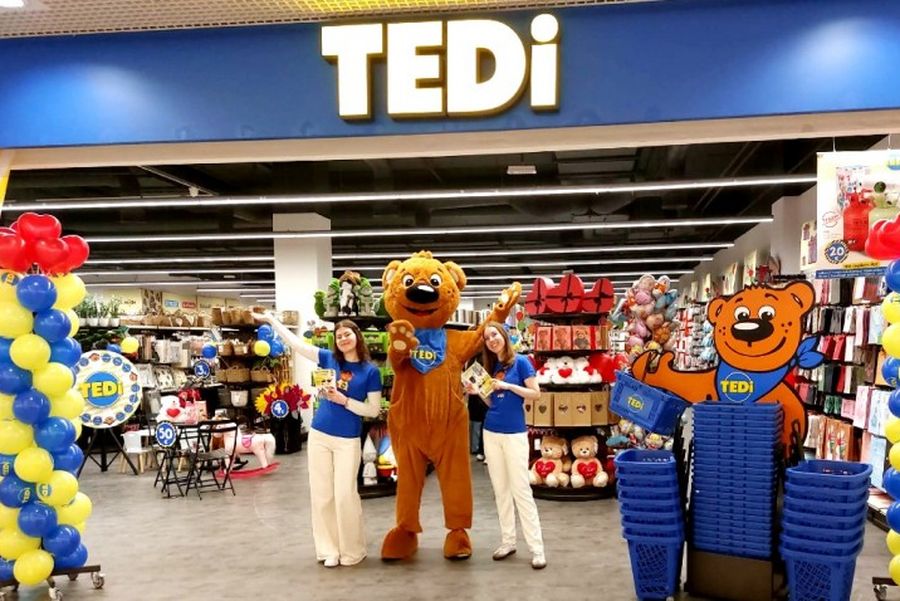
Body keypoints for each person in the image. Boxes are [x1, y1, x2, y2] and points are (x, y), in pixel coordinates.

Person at [253, 312, 381, 568]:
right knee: (322, 495)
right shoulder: (328, 358)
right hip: (320, 435)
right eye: (339, 336)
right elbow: (295, 344)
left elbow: (374, 410)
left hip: (348, 440)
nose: (343, 339)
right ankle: (328, 550)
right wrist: (271, 320)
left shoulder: (370, 371)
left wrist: (344, 400)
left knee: (345, 495)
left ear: (357, 336)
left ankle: (353, 550)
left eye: (347, 334)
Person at [465, 321, 546, 569]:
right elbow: (494, 403)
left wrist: (508, 385)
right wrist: (478, 391)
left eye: (494, 335)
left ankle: (537, 548)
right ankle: (508, 541)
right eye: (487, 338)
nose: (491, 340)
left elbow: (536, 393)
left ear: (504, 335)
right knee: (500, 490)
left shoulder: (521, 362)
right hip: (491, 432)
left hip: (514, 434)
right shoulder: (490, 367)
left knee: (521, 490)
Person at [468, 390, 487, 462]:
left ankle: (480, 451)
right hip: (478, 404)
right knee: (477, 425)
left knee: (479, 426)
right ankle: (479, 450)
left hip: (481, 404)